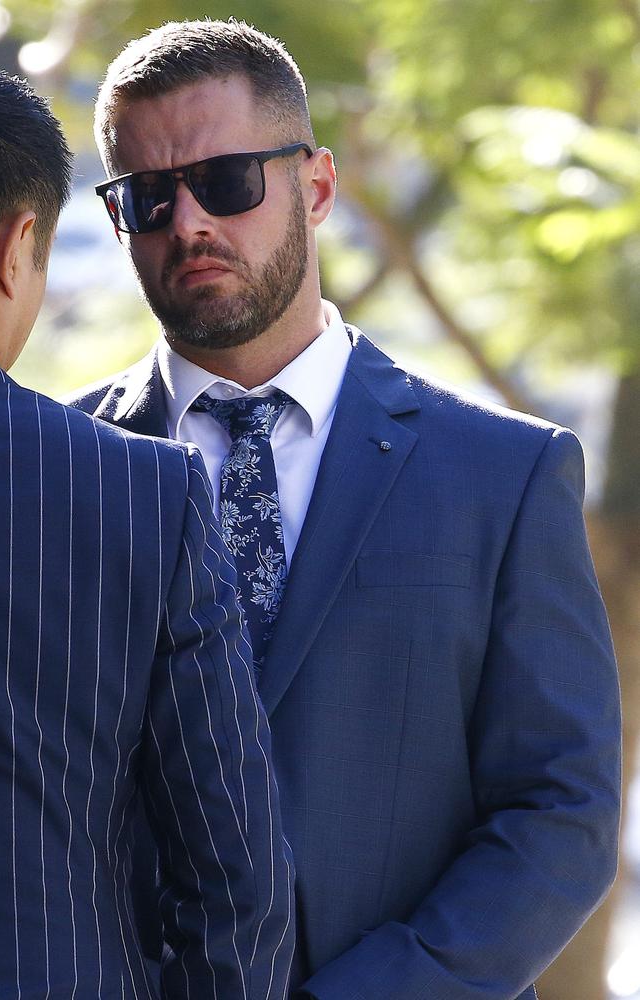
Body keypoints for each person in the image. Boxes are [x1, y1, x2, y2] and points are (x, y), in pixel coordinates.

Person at [67, 18, 621, 1000]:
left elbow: (558, 806)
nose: (187, 222)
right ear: (116, 221)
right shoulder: (49, 475)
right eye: (149, 197)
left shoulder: (505, 474)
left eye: (227, 180)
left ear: (315, 186)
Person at [0, 65, 294, 1000]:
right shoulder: (138, 491)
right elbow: (235, 886)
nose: (191, 222)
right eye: (151, 198)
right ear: (15, 245)